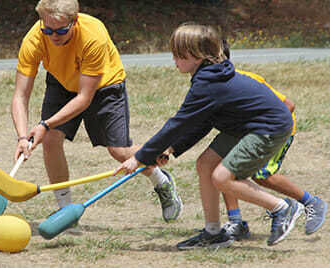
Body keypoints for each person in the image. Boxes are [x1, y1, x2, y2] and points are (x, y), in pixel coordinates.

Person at [115, 22, 306, 249]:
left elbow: (176, 124)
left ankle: (282, 208)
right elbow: (202, 122)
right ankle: (213, 232)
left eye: (178, 55)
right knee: (206, 164)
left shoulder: (207, 83)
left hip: (268, 127)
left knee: (222, 177)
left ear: (196, 56)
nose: (174, 61)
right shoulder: (209, 77)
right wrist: (171, 148)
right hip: (244, 126)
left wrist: (140, 158)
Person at [11, 0, 182, 224]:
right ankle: (65, 210)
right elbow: (20, 95)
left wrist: (45, 123)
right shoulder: (35, 38)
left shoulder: (93, 35)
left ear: (75, 20)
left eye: (61, 30)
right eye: (47, 29)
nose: (53, 36)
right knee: (50, 140)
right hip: (62, 82)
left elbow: (84, 98)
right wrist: (22, 137)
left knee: (120, 152)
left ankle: (161, 181)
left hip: (104, 87)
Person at [219, 44, 327, 241]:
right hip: (249, 132)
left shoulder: (245, 80)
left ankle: (311, 202)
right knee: (225, 168)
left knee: (262, 175)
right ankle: (236, 223)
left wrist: (266, 133)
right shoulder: (212, 85)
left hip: (275, 130)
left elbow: (288, 105)